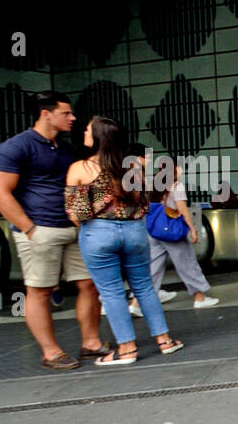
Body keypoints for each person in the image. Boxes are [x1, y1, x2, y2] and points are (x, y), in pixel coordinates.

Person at [0, 91, 107, 369]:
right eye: (67, 113)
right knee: (39, 291)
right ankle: (51, 352)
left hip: (74, 229)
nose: (73, 118)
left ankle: (90, 343)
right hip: (39, 229)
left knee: (89, 284)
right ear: (45, 114)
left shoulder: (64, 149)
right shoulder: (15, 147)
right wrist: (30, 230)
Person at [64, 116, 183, 364]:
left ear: (97, 137)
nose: (83, 133)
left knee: (112, 292)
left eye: (87, 130)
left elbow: (76, 214)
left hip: (98, 233)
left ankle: (127, 349)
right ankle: (165, 341)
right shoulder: (133, 168)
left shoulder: (80, 168)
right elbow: (144, 205)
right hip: (134, 232)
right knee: (144, 287)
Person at [131, 159, 219, 314]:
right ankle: (200, 298)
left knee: (152, 269)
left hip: (154, 231)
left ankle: (137, 303)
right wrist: (192, 228)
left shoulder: (153, 185)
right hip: (172, 231)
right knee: (188, 264)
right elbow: (182, 208)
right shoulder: (176, 186)